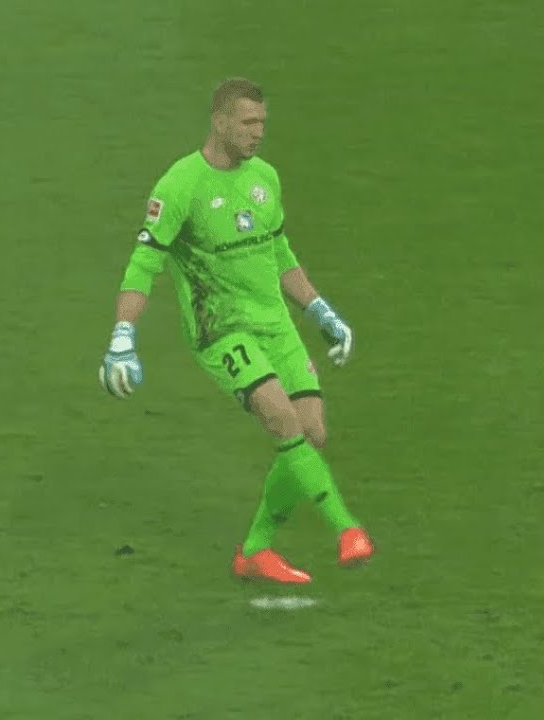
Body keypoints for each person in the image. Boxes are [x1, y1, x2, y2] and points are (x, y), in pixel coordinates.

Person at [99, 77, 375, 584]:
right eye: (248, 123)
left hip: (276, 324)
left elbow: (280, 254)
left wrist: (320, 311)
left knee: (312, 432)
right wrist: (123, 335)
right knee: (282, 421)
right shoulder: (180, 185)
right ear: (219, 121)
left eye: (262, 123)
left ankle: (255, 551)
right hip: (221, 331)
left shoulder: (264, 177)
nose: (257, 133)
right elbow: (144, 263)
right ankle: (346, 529)